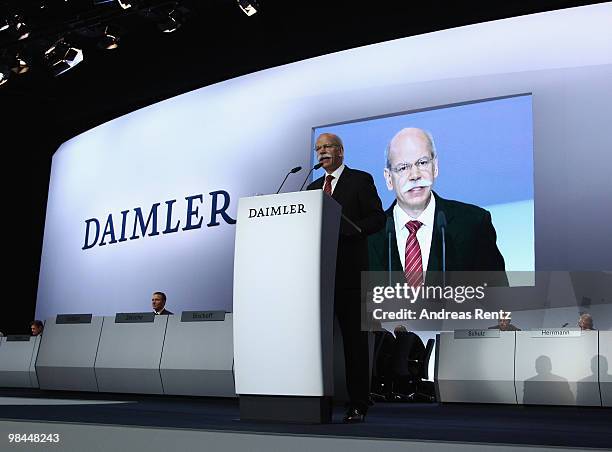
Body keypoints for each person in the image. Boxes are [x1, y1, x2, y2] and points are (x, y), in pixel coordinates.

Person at [307, 132, 386, 423]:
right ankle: (311, 398)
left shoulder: (360, 180)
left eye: (327, 147)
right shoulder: (313, 188)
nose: (322, 152)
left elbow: (378, 218)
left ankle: (358, 404)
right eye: (318, 149)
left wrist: (354, 229)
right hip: (315, 279)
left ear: (340, 151)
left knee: (354, 342)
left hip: (350, 274)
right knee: (313, 341)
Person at [368, 127, 507, 287]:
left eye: (422, 162)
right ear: (388, 178)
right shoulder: (368, 237)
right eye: (403, 167)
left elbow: (499, 304)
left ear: (435, 166)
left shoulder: (473, 224)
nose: (415, 175)